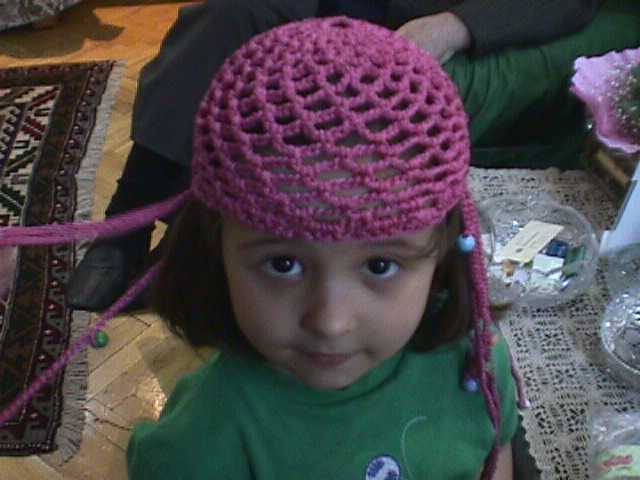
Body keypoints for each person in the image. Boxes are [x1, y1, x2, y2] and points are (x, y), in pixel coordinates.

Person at [118, 17, 525, 479]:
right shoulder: (199, 446)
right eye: (283, 264)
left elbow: (495, 451)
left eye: (380, 265)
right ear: (216, 248)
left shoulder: (475, 366)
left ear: (443, 248)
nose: (331, 322)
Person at [65, 0, 604, 312]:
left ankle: (194, 241)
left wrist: (455, 25)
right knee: (228, 14)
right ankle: (126, 226)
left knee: (328, 82)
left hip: (432, 12)